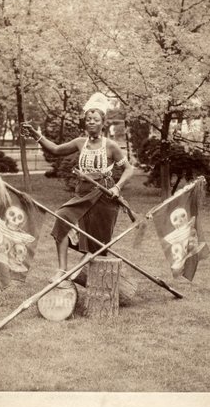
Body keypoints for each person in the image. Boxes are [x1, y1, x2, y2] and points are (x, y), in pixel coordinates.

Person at [20, 92, 134, 285]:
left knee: (98, 243)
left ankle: (81, 271)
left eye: (95, 119)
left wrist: (117, 187)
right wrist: (35, 134)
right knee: (62, 217)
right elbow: (55, 150)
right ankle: (62, 270)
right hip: (82, 193)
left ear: (103, 123)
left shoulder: (111, 146)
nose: (91, 122)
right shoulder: (80, 142)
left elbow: (129, 169)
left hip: (105, 196)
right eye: (88, 119)